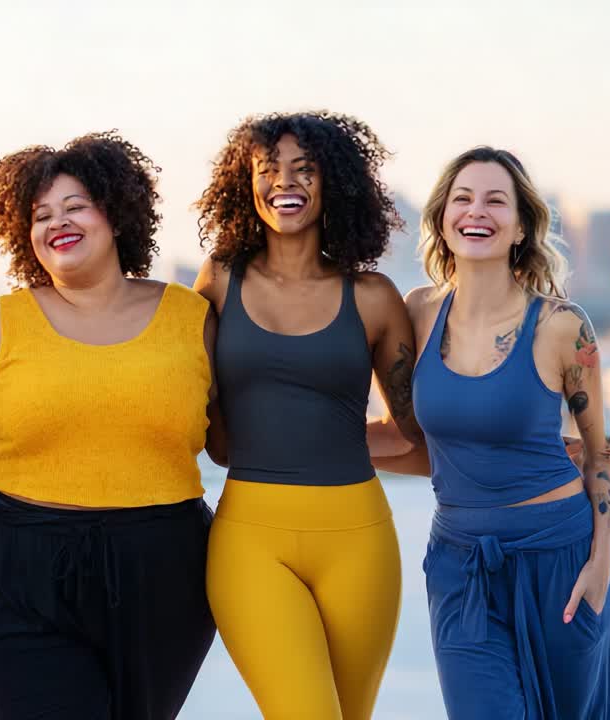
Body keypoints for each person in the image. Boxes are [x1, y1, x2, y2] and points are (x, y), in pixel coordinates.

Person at [0, 132, 217, 719]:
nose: (57, 224)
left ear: (117, 215)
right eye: (41, 215)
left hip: (164, 567)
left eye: (75, 207)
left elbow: (226, 437)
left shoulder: (192, 318)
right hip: (14, 565)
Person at [193, 111, 421, 719]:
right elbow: (186, 402)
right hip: (250, 539)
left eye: (304, 169)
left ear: (335, 183)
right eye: (267, 170)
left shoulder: (373, 297)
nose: (284, 182)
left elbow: (417, 431)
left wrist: (562, 453)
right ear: (245, 184)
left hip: (359, 541)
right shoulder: (218, 281)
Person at [391, 146, 610, 718]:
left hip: (562, 562)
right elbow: (411, 438)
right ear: (443, 217)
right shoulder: (416, 314)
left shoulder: (562, 326)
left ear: (521, 226)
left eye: (497, 201)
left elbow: (598, 455)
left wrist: (601, 565)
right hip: (460, 565)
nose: (478, 212)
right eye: (463, 198)